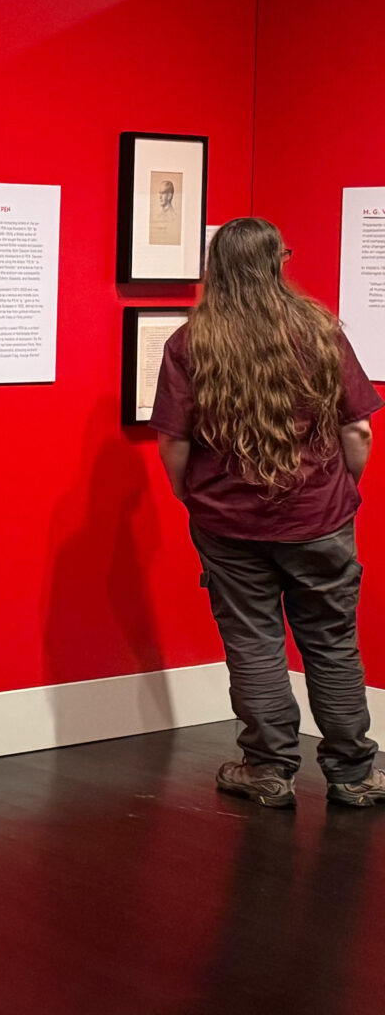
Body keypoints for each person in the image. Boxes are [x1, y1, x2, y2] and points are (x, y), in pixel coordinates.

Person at [151, 217, 385, 808]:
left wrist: (189, 495)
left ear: (217, 268)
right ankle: (354, 774)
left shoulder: (191, 342)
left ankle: (268, 770)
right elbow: (357, 429)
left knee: (253, 642)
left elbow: (174, 440)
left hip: (228, 522)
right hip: (320, 519)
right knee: (332, 642)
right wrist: (340, 490)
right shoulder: (318, 330)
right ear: (278, 260)